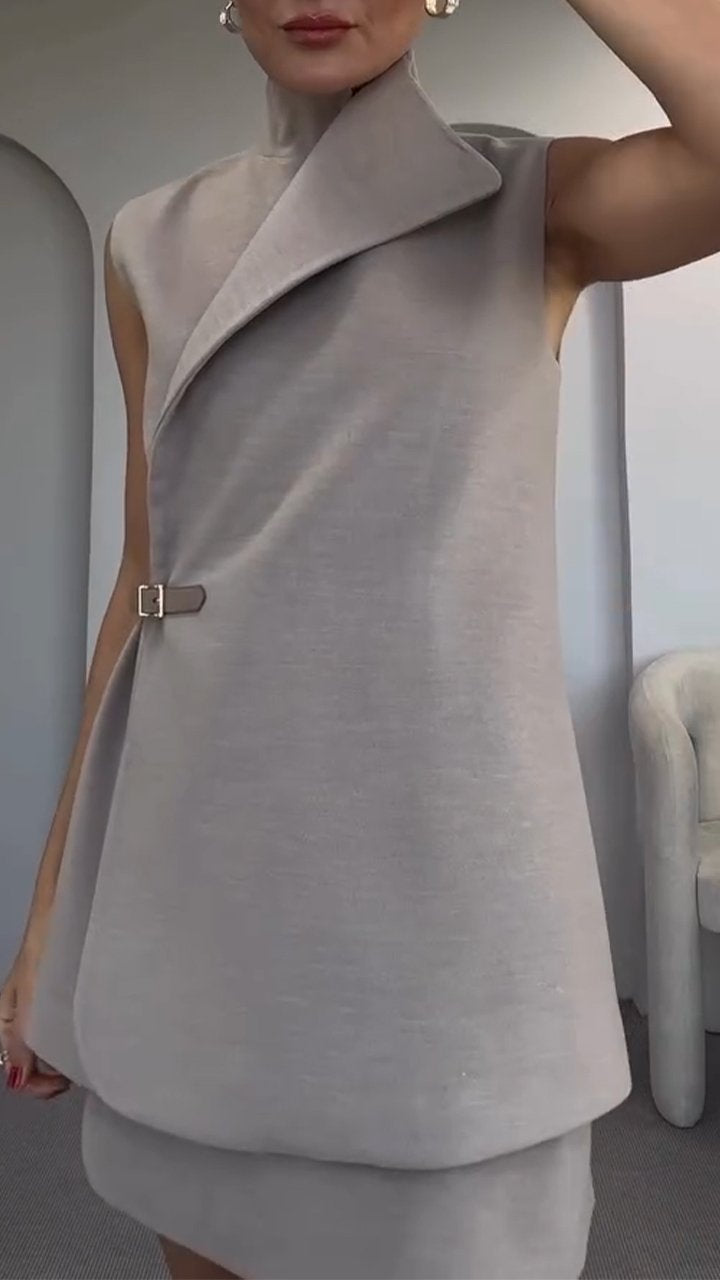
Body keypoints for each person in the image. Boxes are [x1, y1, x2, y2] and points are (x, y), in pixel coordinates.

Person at [5, 0, 720, 1276]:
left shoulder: (528, 200)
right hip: (198, 871)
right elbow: (146, 583)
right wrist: (54, 911)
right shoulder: (145, 236)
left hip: (434, 902)